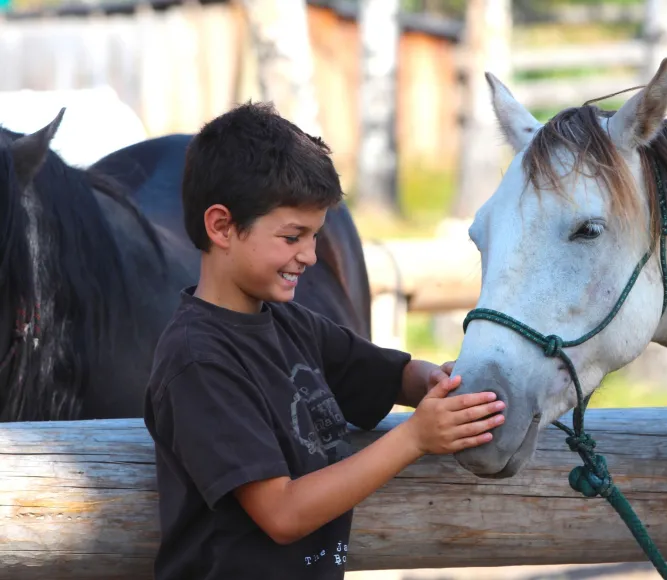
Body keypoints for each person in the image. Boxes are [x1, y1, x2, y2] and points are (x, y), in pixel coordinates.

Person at [142, 102, 505, 580]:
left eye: (315, 236)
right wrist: (416, 437)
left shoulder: (292, 324)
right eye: (293, 236)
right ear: (221, 226)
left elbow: (391, 376)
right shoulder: (198, 361)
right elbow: (282, 514)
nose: (310, 256)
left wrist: (441, 384)